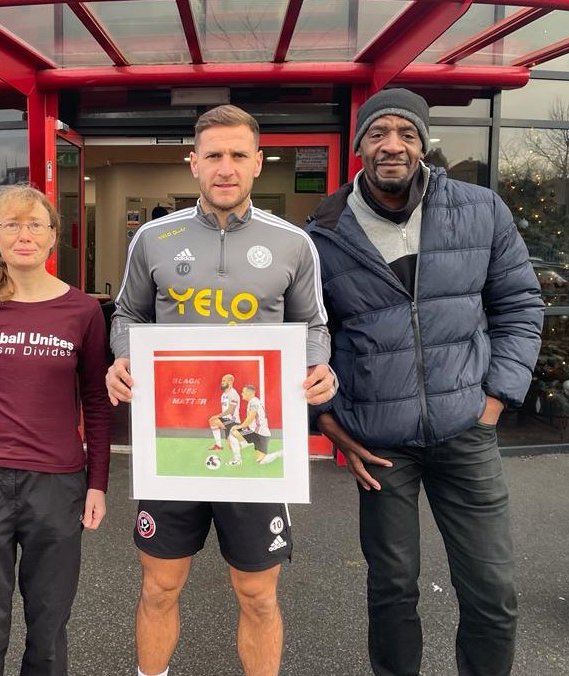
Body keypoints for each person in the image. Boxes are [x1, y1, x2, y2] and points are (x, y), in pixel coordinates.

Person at [305, 88, 544, 676]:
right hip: (380, 447)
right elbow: (310, 339)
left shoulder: (481, 209)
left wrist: (493, 400)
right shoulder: (321, 234)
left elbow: (519, 305)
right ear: (358, 144)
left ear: (423, 143)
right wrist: (327, 422)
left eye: (406, 134)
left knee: (492, 593)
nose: (393, 145)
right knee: (391, 592)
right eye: (378, 133)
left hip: (467, 434)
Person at [106, 104, 336, 676]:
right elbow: (128, 314)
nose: (225, 167)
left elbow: (314, 325)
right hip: (171, 440)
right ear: (193, 164)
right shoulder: (154, 238)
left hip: (259, 444)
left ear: (258, 162)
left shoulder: (293, 244)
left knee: (257, 594)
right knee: (160, 587)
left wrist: (316, 369)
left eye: (238, 154)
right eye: (213, 155)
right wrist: (123, 359)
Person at [0, 184, 111, 676]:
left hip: (56, 480)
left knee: (48, 628)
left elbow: (95, 400)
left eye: (35, 224)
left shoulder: (83, 311)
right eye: (11, 224)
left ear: (55, 236)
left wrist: (98, 483)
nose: (24, 234)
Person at [229, 384, 280, 466]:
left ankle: (238, 460)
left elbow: (251, 417)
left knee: (233, 434)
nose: (242, 393)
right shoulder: (254, 401)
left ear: (248, 393)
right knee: (260, 460)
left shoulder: (254, 402)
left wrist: (240, 426)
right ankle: (249, 444)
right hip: (258, 432)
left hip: (258, 434)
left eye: (243, 392)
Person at [207, 373, 240, 450]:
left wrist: (219, 416)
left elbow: (231, 410)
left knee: (213, 420)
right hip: (226, 421)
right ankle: (218, 445)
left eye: (224, 380)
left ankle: (251, 440)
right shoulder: (224, 394)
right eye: (222, 380)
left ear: (230, 382)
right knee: (232, 448)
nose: (222, 382)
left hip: (233, 421)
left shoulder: (233, 393)